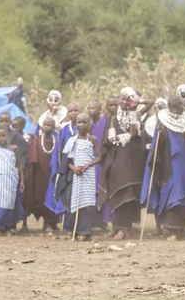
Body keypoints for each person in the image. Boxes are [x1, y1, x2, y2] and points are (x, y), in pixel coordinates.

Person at [99, 87, 150, 240]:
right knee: (118, 191)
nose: (123, 102)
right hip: (117, 158)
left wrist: (136, 104)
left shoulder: (137, 114)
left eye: (127, 99)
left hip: (133, 158)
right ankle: (118, 228)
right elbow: (109, 139)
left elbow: (134, 133)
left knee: (131, 193)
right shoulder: (114, 117)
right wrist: (114, 138)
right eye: (122, 98)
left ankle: (127, 228)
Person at [141, 96, 185, 240]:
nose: (183, 107)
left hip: (183, 163)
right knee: (173, 192)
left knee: (182, 190)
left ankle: (181, 228)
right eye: (181, 105)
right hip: (170, 164)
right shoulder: (162, 124)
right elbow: (157, 148)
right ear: (175, 106)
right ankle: (171, 229)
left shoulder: (184, 123)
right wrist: (160, 135)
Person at [56, 113, 101, 241]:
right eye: (79, 122)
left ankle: (85, 231)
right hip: (74, 175)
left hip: (88, 175)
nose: (81, 125)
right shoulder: (72, 140)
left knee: (86, 203)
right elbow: (65, 159)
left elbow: (99, 157)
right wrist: (74, 168)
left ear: (89, 124)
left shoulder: (92, 139)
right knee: (74, 200)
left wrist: (87, 165)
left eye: (84, 122)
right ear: (76, 124)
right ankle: (72, 230)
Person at [25, 117, 58, 233]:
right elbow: (31, 157)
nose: (46, 127)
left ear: (54, 127)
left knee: (52, 196)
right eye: (44, 125)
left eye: (49, 125)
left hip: (53, 175)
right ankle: (44, 221)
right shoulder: (37, 140)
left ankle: (50, 222)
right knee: (40, 197)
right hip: (40, 174)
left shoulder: (57, 140)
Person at [87, 100, 109, 232]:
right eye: (88, 108)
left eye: (93, 108)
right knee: (91, 192)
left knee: (102, 190)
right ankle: (93, 222)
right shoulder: (86, 125)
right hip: (90, 163)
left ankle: (103, 222)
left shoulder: (105, 122)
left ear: (100, 110)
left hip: (103, 161)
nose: (90, 110)